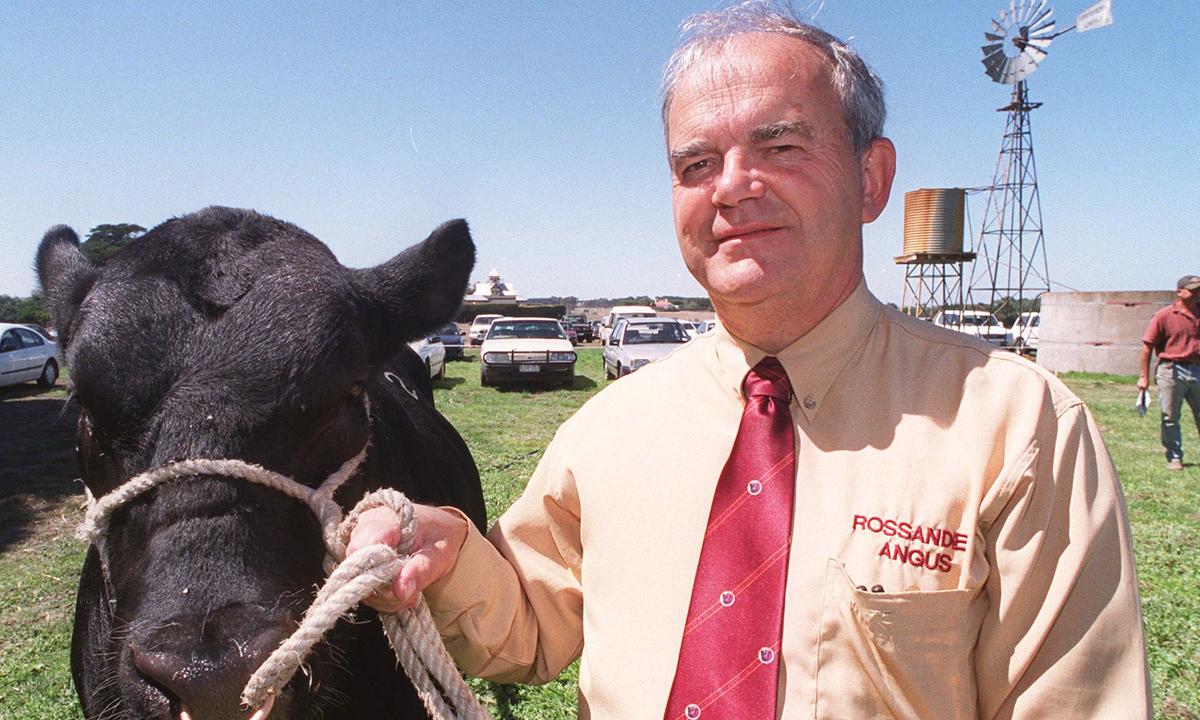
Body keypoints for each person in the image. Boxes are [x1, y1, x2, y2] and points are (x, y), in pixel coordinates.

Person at [347, 4, 1151, 717]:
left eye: (780, 144)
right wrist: (445, 553)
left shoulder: (1019, 427)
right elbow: (528, 626)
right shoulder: (611, 430)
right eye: (696, 164)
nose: (731, 188)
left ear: (871, 180)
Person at [1138, 274, 1200, 470]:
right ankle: (1174, 457)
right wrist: (1143, 377)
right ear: (1180, 292)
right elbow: (1147, 347)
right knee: (1170, 416)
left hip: (1197, 368)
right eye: (1193, 289)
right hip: (1171, 370)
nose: (1197, 293)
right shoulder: (1164, 316)